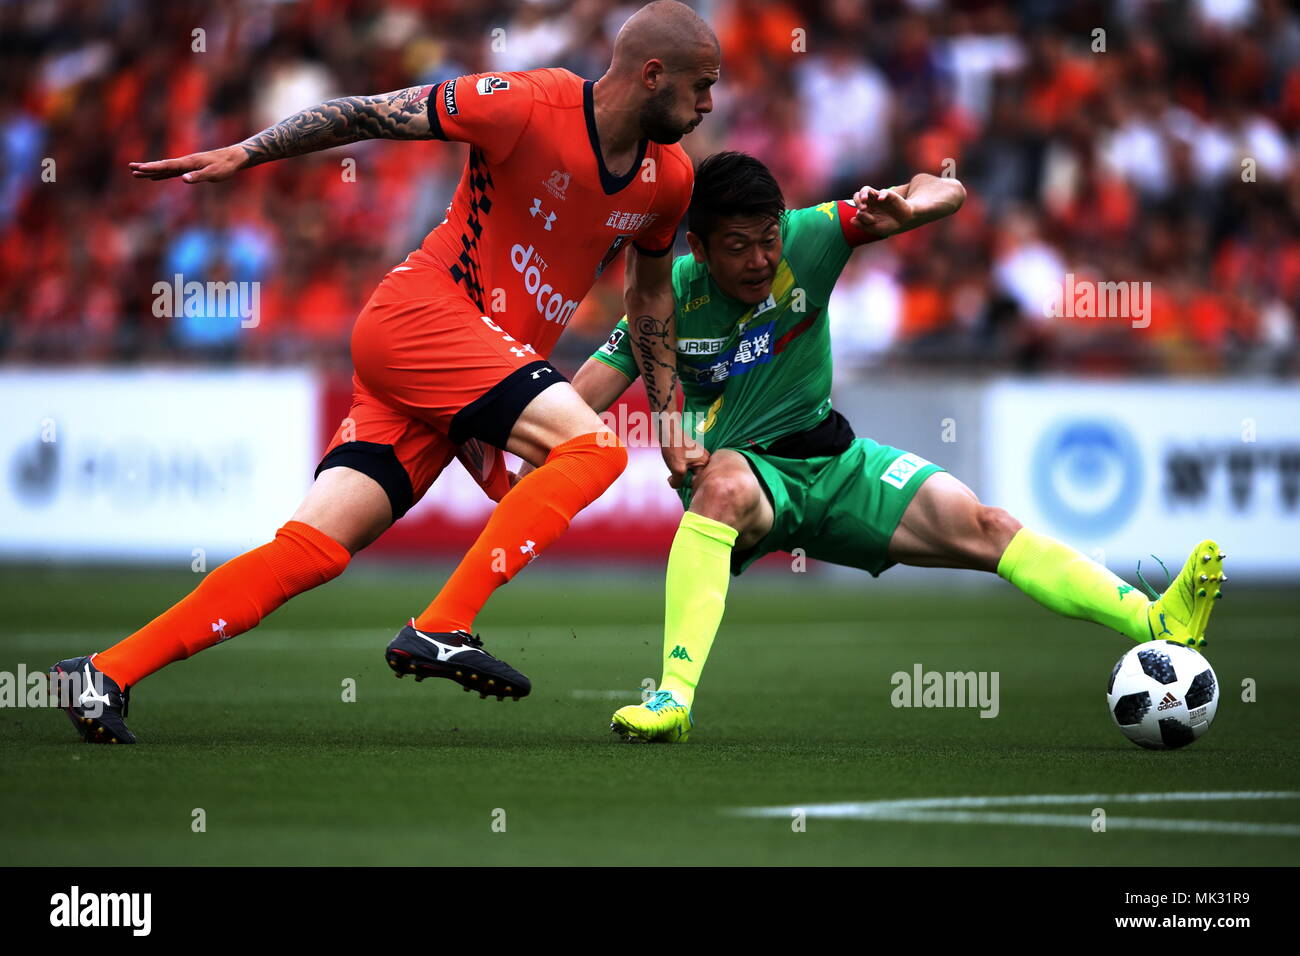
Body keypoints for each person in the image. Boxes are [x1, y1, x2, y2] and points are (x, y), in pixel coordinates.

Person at [51, 1, 721, 744]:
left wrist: (674, 422)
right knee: (592, 449)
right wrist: (248, 152)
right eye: (700, 87)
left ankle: (105, 670)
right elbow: (369, 112)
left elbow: (650, 297)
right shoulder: (527, 103)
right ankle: (442, 625)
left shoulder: (669, 183)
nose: (709, 104)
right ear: (652, 74)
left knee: (314, 549)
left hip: (464, 370)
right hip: (423, 319)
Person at [564, 151, 1225, 743]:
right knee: (724, 486)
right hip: (746, 474)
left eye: (768, 240)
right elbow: (583, 393)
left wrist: (908, 204)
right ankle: (674, 700)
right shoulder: (669, 296)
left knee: (988, 526)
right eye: (738, 246)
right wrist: (523, 435)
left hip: (837, 463)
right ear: (700, 249)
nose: (761, 259)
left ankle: (1154, 620)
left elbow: (949, 191)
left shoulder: (814, 235)